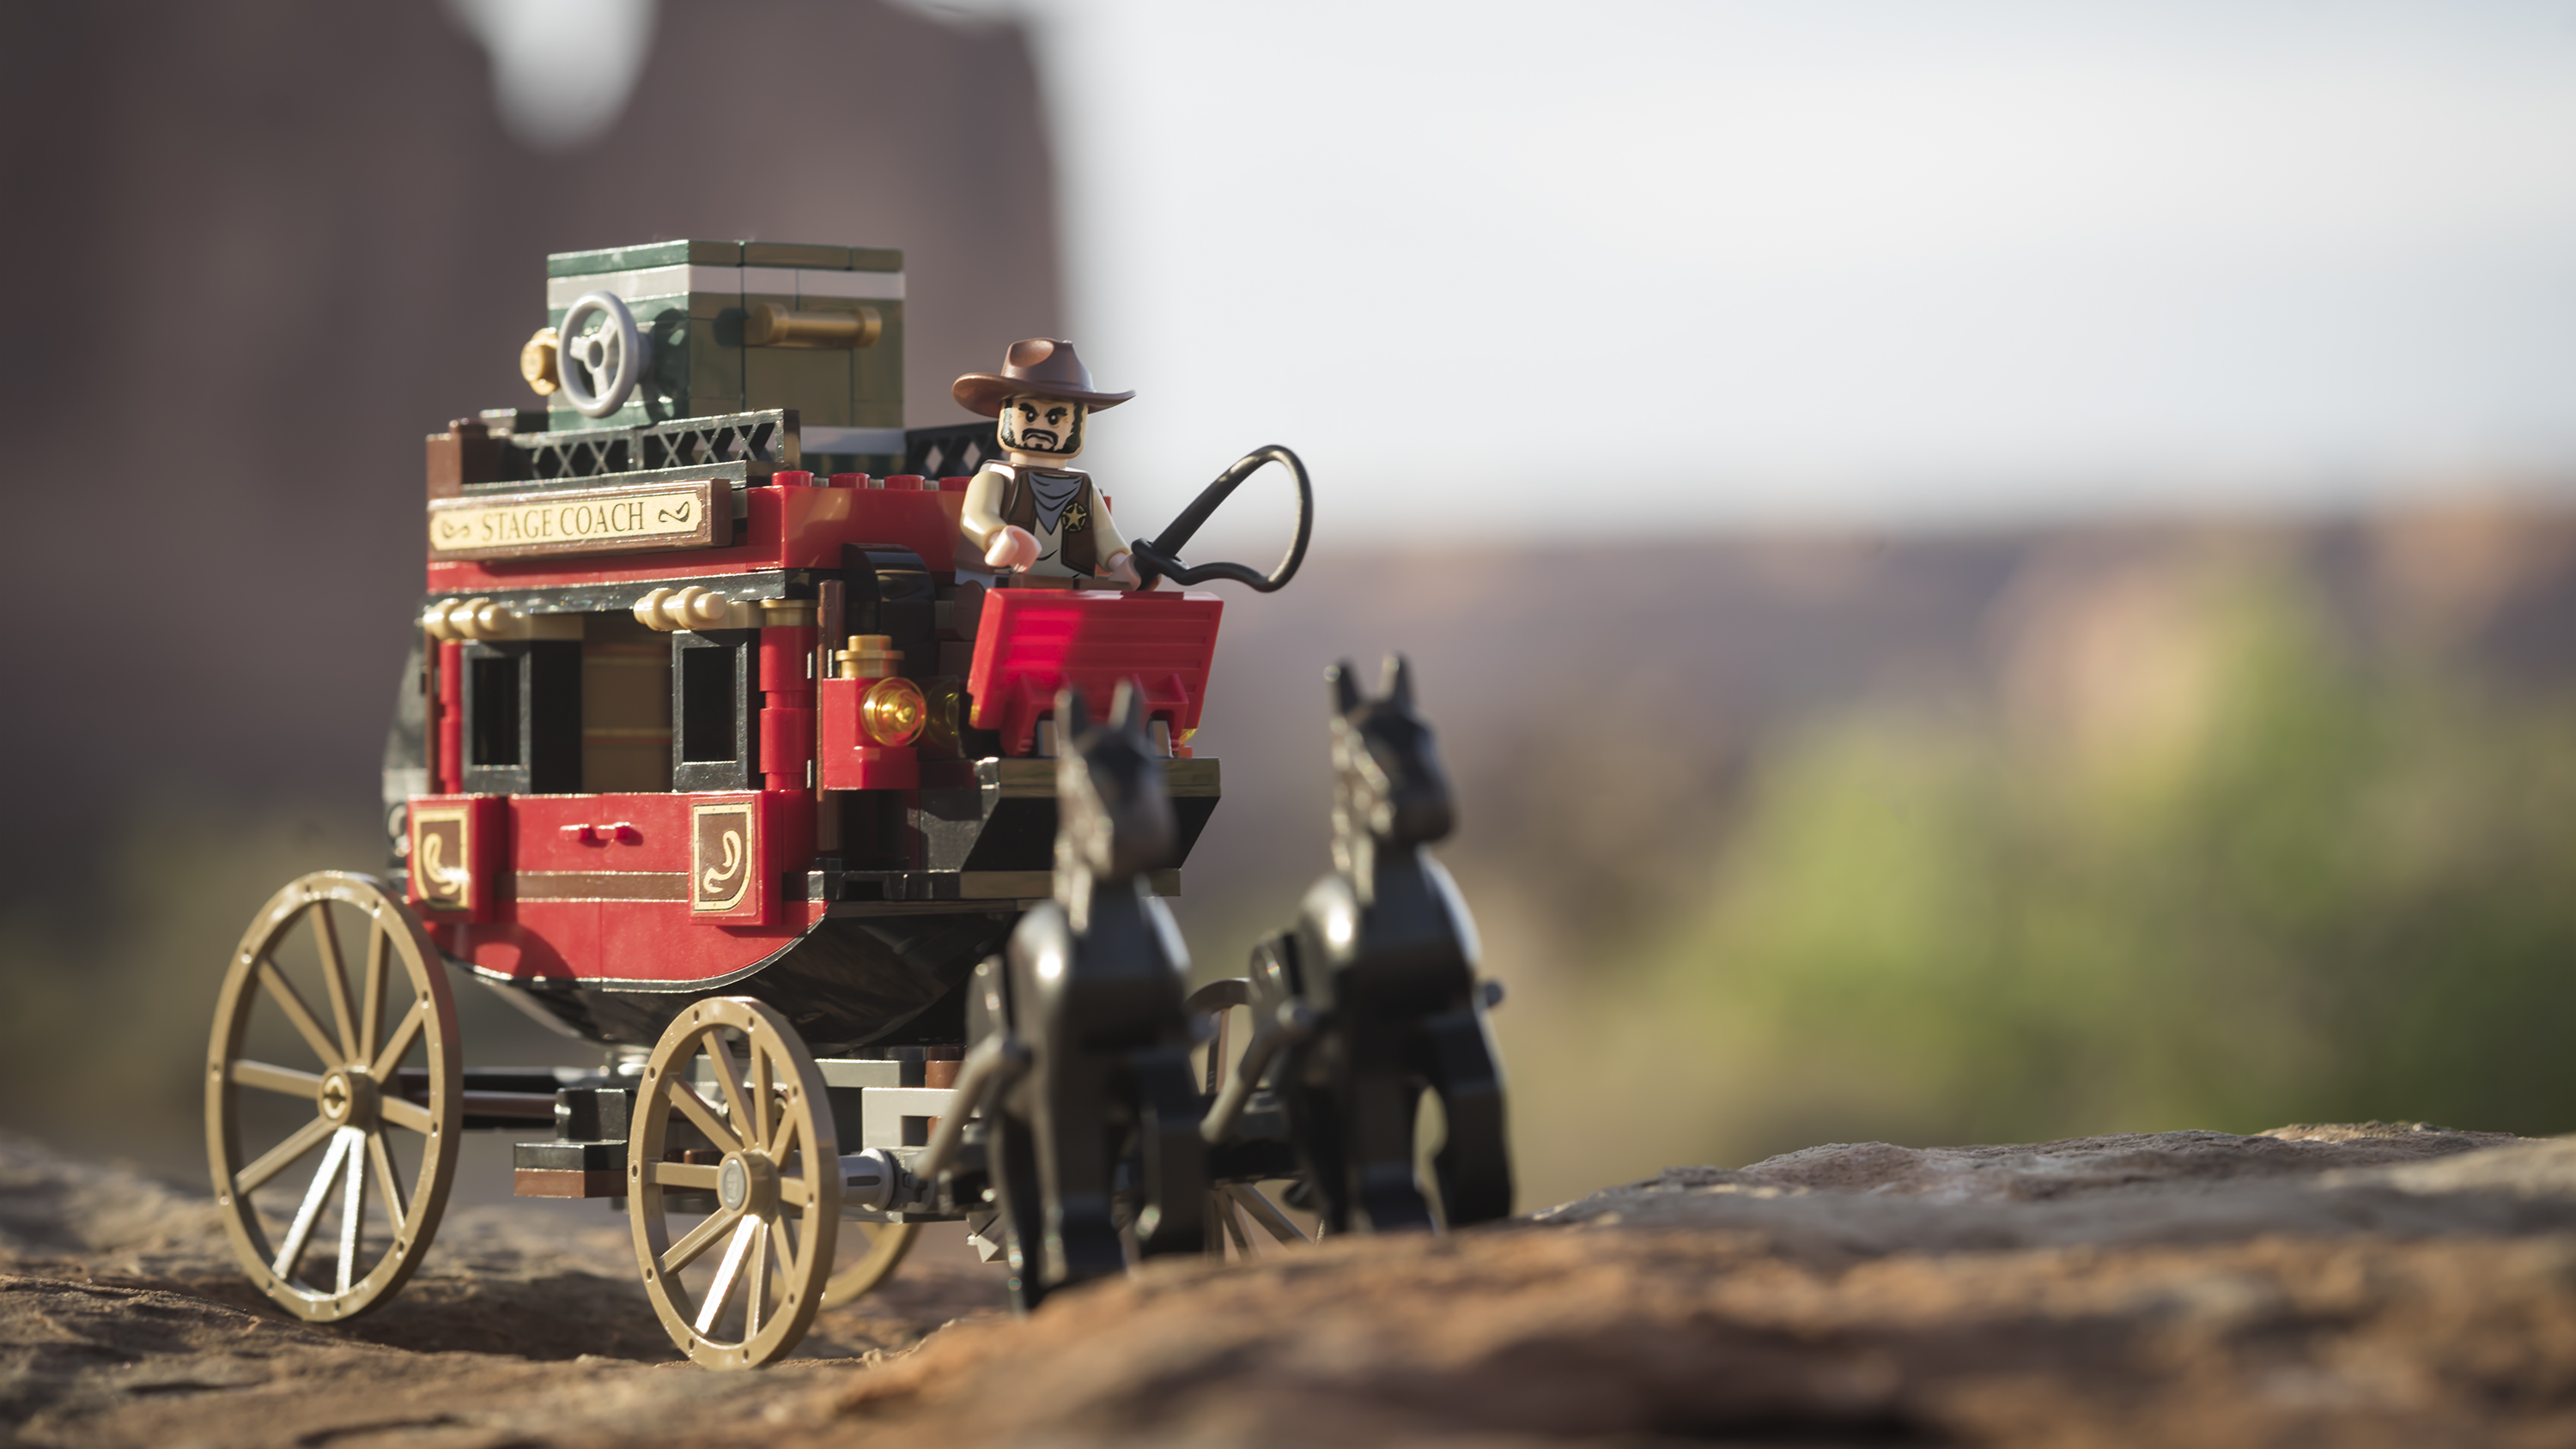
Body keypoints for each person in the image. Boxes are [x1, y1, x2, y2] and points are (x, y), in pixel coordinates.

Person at [951, 338, 1145, 588]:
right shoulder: (994, 477)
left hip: (1073, 587)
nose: (1040, 427)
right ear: (1005, 416)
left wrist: (1125, 563)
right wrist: (999, 537)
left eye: (1055, 418)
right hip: (998, 584)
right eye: (1028, 414)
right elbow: (975, 516)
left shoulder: (1084, 488)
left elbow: (1104, 534)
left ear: (1081, 423)